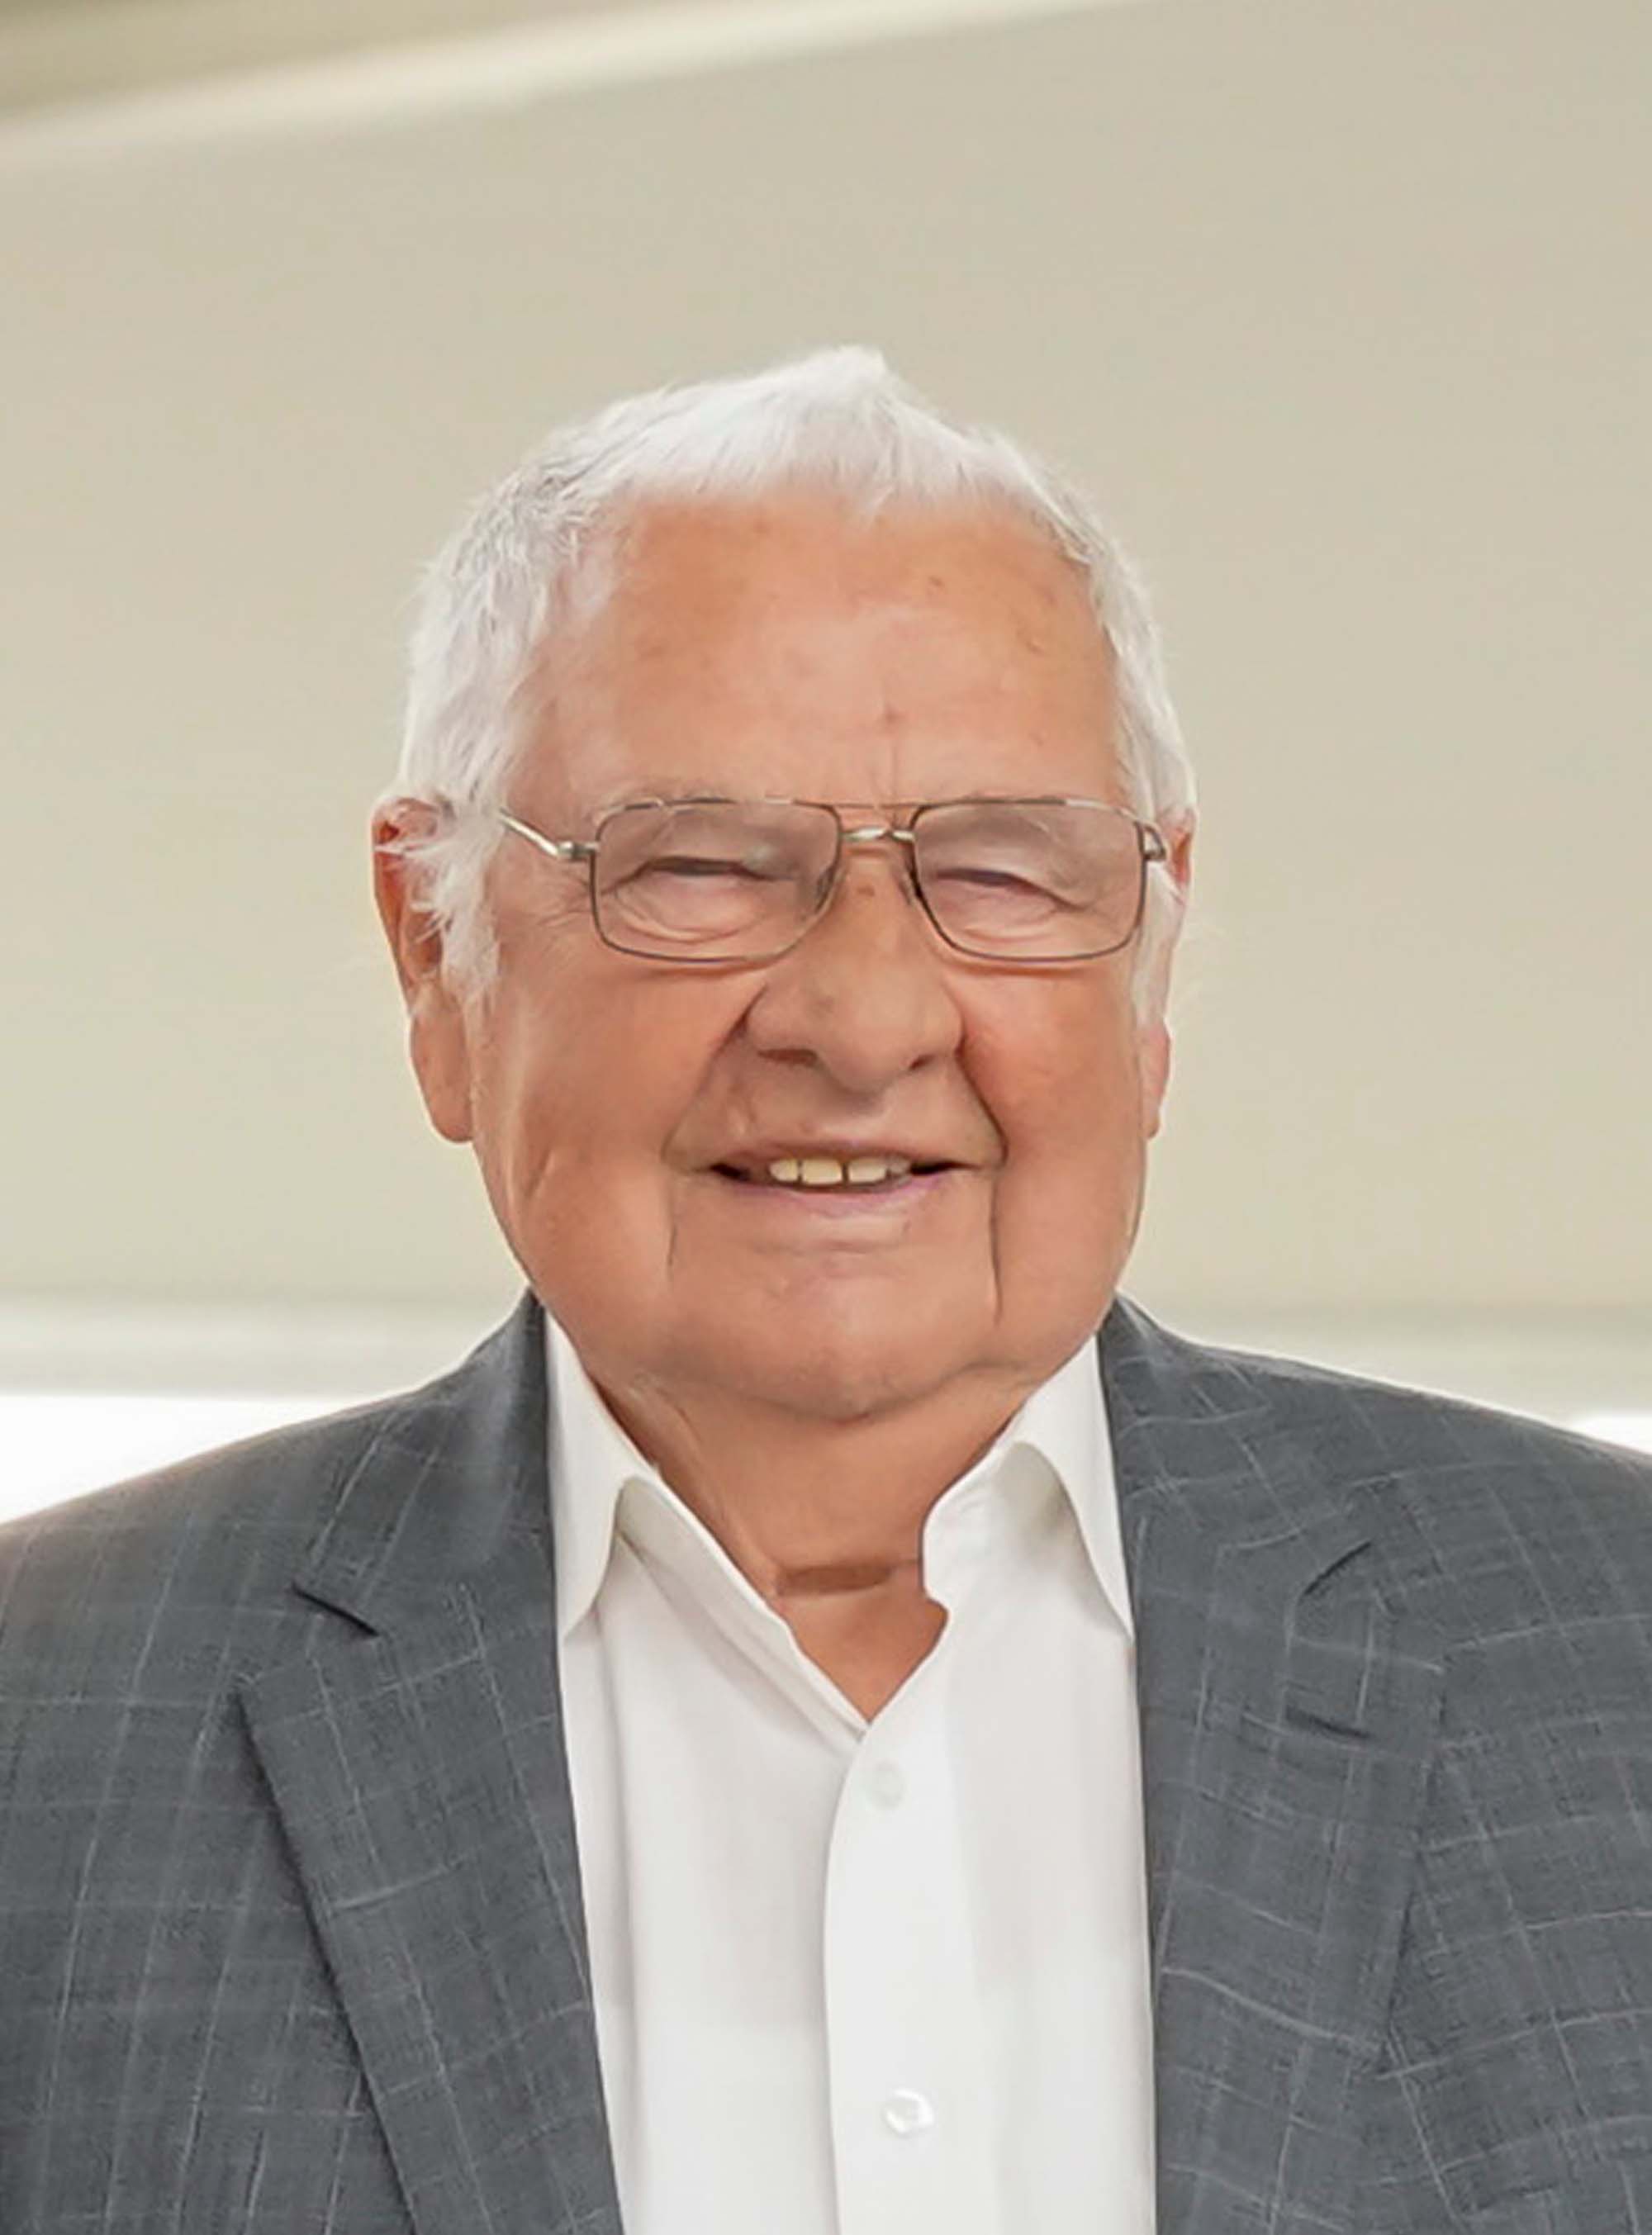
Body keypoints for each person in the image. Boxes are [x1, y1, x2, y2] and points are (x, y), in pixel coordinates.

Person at [3, 348, 1650, 2235]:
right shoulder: (45, 1732)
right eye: (700, 866)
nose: (863, 1021)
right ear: (432, 953)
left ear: (1154, 957)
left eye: (1001, 872)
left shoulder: (1613, 1666)